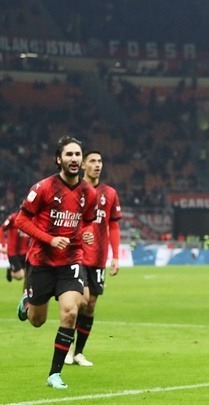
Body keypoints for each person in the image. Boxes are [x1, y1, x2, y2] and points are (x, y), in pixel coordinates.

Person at [15, 135, 98, 389]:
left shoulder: (89, 193)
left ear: (81, 161)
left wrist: (87, 233)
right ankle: (27, 302)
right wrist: (50, 239)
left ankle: (54, 374)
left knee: (71, 311)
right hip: (41, 261)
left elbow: (88, 222)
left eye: (77, 154)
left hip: (71, 260)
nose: (74, 158)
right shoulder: (43, 188)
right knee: (37, 320)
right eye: (68, 154)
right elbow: (21, 220)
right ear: (58, 159)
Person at [64, 150, 123, 367]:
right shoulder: (75, 190)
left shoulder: (110, 193)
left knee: (90, 306)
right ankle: (67, 348)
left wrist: (115, 256)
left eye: (99, 161)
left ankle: (79, 353)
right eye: (92, 161)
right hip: (77, 255)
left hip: (98, 257)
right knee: (81, 300)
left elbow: (113, 225)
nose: (97, 165)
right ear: (83, 165)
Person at [1, 206, 30, 282]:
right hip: (13, 252)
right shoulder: (13, 217)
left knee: (26, 274)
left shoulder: (31, 219)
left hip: (25, 252)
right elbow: (1, 229)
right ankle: (10, 271)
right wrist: (3, 245)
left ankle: (12, 270)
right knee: (20, 276)